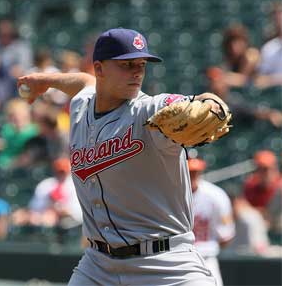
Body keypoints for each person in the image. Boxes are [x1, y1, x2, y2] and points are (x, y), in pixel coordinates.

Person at [18, 28, 232, 286]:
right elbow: (83, 83)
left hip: (166, 263)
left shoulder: (150, 111)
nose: (137, 72)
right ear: (100, 69)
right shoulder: (81, 104)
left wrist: (212, 104)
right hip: (98, 266)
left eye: (141, 64)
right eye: (127, 64)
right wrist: (47, 80)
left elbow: (204, 102)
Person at [188, 158, 235, 286]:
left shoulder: (216, 195)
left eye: (195, 172)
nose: (192, 175)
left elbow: (226, 236)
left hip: (206, 259)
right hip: (179, 259)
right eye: (189, 171)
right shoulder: (171, 195)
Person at [12, 158, 82, 229]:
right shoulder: (46, 184)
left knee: (48, 219)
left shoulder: (74, 185)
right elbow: (35, 207)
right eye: (59, 172)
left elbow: (75, 211)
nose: (61, 175)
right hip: (44, 214)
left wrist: (59, 209)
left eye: (63, 172)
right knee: (19, 216)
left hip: (68, 219)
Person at [243, 150, 282, 229]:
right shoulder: (250, 184)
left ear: (275, 168)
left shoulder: (279, 186)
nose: (265, 172)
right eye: (260, 168)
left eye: (266, 169)